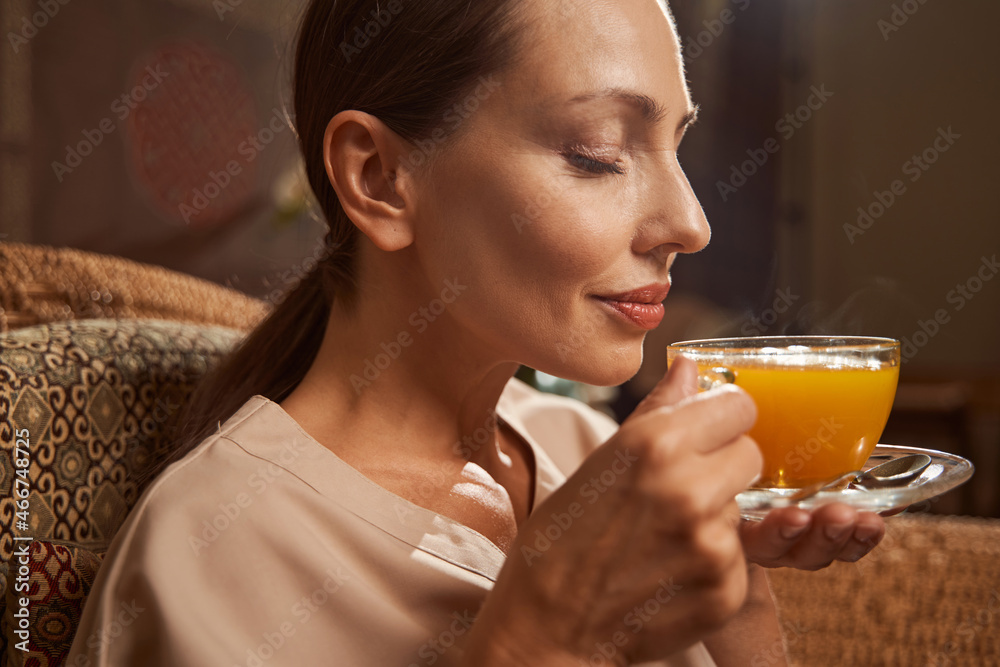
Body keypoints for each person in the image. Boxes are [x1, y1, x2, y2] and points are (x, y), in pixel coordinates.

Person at [66, 0, 886, 664]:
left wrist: (740, 612)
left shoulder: (579, 443)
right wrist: (539, 638)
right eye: (600, 153)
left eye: (676, 147)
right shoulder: (211, 551)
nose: (690, 223)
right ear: (379, 177)